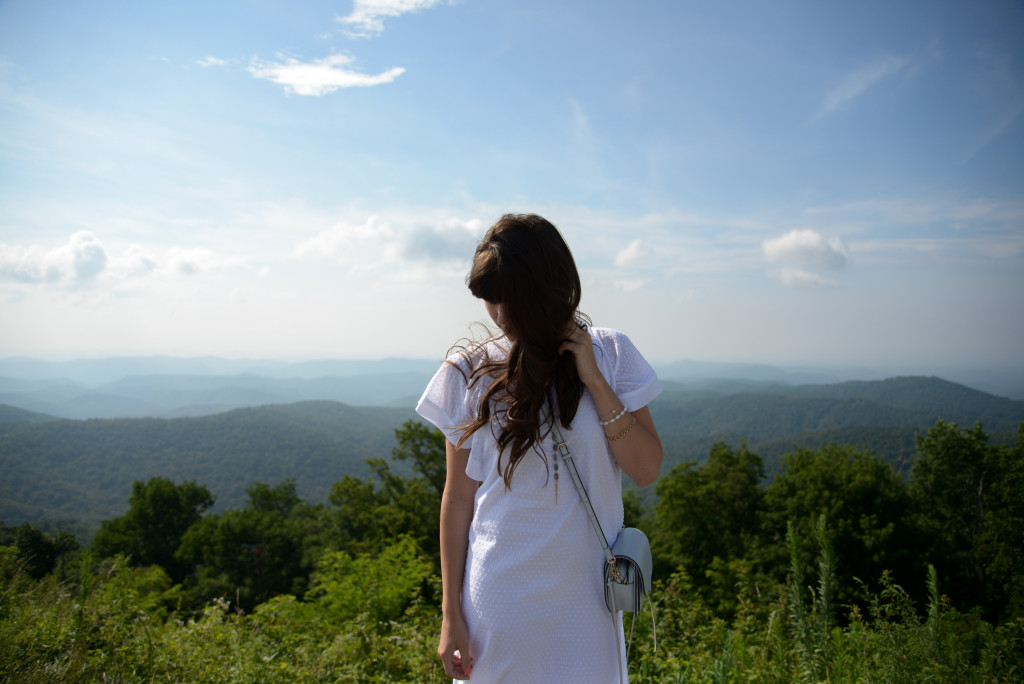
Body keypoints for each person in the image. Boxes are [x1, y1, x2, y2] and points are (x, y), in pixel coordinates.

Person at [416, 213, 663, 682]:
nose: (501, 315)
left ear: (550, 287)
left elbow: (646, 468)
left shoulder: (611, 354)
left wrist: (593, 379)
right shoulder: (468, 371)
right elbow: (458, 498)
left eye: (514, 299)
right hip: (498, 605)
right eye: (491, 299)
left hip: (588, 606)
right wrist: (451, 616)